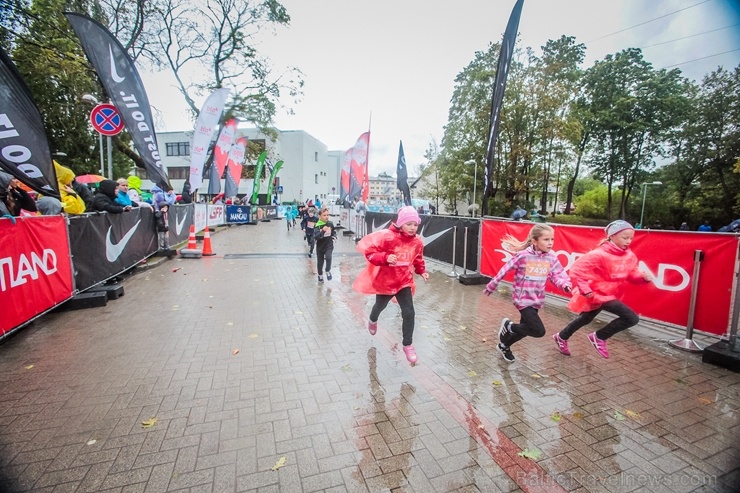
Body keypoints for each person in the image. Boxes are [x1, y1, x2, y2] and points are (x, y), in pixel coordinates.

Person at [552, 220, 653, 359]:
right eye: (625, 237)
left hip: (609, 292)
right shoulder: (599, 254)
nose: (628, 241)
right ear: (612, 236)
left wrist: (643, 277)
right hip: (596, 292)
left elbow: (631, 275)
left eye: (630, 238)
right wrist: (585, 289)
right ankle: (599, 336)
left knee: (585, 318)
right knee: (631, 318)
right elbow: (576, 270)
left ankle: (561, 336)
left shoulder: (629, 255)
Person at [483, 223, 571, 363]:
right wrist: (492, 284)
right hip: (522, 299)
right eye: (546, 239)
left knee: (526, 329)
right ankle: (509, 326)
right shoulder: (523, 256)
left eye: (552, 239)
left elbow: (556, 275)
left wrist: (565, 285)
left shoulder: (551, 257)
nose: (550, 243)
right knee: (538, 330)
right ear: (535, 241)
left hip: (536, 300)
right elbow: (505, 269)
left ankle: (504, 345)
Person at [352, 206, 429, 364]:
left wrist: (422, 271)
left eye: (415, 224)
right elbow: (371, 254)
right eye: (409, 224)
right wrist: (385, 257)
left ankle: (408, 345)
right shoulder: (388, 237)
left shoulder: (417, 242)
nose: (413, 227)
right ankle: (373, 319)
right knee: (379, 306)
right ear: (401, 223)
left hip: (404, 282)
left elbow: (418, 259)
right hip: (387, 281)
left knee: (409, 312)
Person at [313, 207, 336, 282]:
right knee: (320, 262)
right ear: (320, 216)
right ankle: (320, 275)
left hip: (329, 245)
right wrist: (322, 231)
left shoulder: (330, 223)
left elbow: (333, 231)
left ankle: (327, 270)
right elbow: (316, 237)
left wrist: (334, 236)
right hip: (320, 246)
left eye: (327, 215)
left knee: (329, 257)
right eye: (324, 215)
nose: (326, 217)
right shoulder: (317, 225)